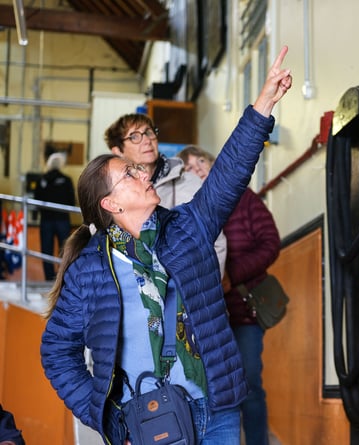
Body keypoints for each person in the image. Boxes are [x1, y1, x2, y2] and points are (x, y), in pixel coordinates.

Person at [40, 46, 292, 445]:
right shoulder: (90, 269)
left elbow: (228, 175)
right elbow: (56, 351)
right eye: (129, 173)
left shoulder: (188, 227)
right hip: (147, 420)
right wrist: (104, 416)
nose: (143, 173)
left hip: (218, 411)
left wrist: (263, 104)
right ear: (111, 204)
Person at [177, 145, 280, 445]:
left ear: (213, 164)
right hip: (203, 316)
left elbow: (270, 243)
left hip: (243, 311)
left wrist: (231, 276)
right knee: (210, 388)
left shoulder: (244, 199)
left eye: (201, 161)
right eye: (189, 167)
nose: (198, 169)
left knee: (249, 382)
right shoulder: (187, 209)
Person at [103, 95, 228, 276]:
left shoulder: (189, 181)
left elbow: (216, 240)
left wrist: (203, 290)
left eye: (148, 132)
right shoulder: (112, 194)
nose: (146, 140)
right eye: (135, 137)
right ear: (117, 150)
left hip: (189, 289)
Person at [33, 152, 76, 280]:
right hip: (62, 220)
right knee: (65, 250)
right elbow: (71, 201)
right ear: (61, 165)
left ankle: (49, 278)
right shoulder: (67, 180)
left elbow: (36, 201)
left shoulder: (41, 180)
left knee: (46, 250)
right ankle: (62, 277)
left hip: (46, 220)